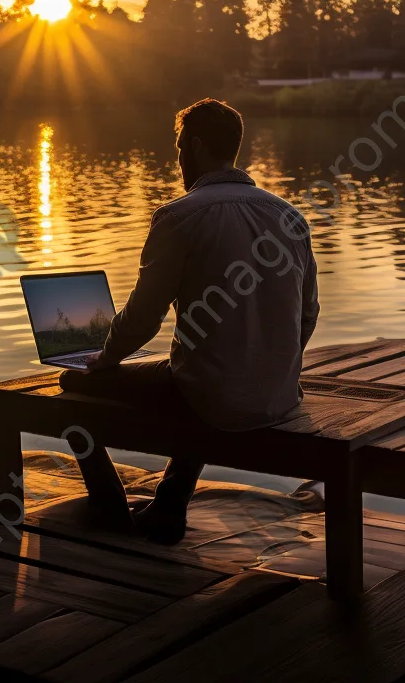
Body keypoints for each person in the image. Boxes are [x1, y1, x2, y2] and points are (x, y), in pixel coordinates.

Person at [60, 98, 319, 544]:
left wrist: (105, 358)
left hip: (210, 395)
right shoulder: (289, 217)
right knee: (199, 372)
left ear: (195, 147)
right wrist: (274, 364)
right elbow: (308, 314)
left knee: (72, 386)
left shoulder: (179, 216)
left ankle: (108, 505)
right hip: (280, 396)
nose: (178, 158)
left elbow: (143, 319)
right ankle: (168, 504)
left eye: (180, 147)